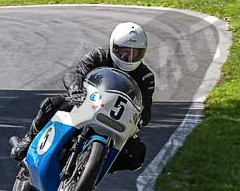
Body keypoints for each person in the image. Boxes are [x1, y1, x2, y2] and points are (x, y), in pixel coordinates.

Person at [10, 23, 155, 177]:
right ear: (114, 48)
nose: (129, 58)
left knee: (137, 155)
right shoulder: (98, 56)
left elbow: (145, 109)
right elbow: (75, 73)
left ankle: (93, 171)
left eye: (135, 53)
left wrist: (138, 122)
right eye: (125, 52)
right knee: (52, 103)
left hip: (117, 121)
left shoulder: (146, 77)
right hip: (86, 103)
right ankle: (29, 139)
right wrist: (76, 91)